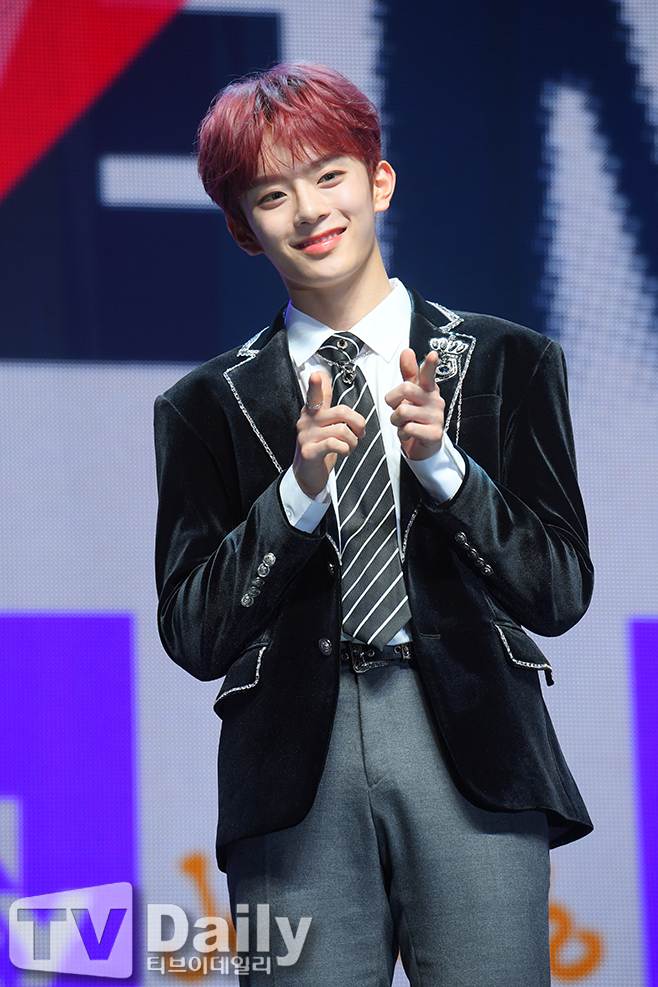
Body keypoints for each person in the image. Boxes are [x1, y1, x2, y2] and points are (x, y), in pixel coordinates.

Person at [154, 63, 593, 986]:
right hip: (291, 770)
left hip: (471, 747)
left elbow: (558, 589)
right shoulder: (203, 405)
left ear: (379, 180)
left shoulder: (508, 360)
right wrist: (297, 493)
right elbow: (193, 631)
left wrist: (444, 466)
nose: (310, 210)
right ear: (242, 227)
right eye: (273, 194)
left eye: (329, 176)